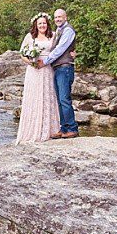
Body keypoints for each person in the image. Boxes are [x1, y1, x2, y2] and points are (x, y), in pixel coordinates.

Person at [15, 13, 61, 143]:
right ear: (36, 24)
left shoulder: (53, 35)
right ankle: (32, 130)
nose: (42, 25)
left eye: (44, 23)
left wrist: (72, 53)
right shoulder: (30, 37)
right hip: (34, 71)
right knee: (34, 97)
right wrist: (31, 62)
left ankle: (50, 130)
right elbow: (22, 54)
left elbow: (60, 49)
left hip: (47, 69)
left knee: (48, 97)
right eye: (40, 23)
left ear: (47, 24)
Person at [34, 8, 79, 139]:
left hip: (65, 68)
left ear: (65, 17)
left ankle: (72, 128)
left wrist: (45, 61)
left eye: (60, 17)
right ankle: (64, 128)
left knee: (64, 99)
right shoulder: (58, 31)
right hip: (58, 68)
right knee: (60, 100)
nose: (58, 19)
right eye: (56, 17)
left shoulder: (68, 30)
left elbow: (60, 49)